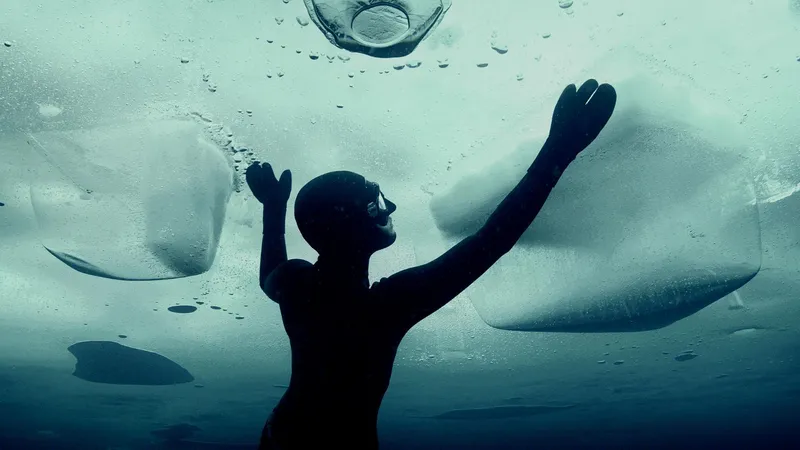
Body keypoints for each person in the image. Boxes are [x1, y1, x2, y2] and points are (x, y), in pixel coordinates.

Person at [247, 79, 617, 449]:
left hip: (281, 435)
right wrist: (558, 152)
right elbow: (490, 243)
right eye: (375, 202)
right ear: (349, 222)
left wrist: (273, 209)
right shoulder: (385, 306)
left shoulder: (297, 283)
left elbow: (269, 275)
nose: (389, 208)